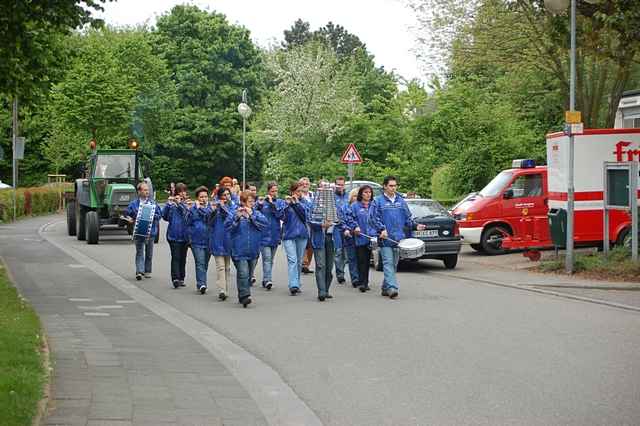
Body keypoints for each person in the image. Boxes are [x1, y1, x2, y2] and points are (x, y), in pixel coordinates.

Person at [370, 176, 426, 299]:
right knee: (388, 263)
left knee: (394, 264)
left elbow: (407, 219)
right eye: (391, 185)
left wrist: (416, 226)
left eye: (395, 185)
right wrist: (381, 229)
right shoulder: (377, 201)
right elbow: (372, 218)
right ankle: (392, 288)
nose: (393, 188)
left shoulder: (401, 201)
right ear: (384, 186)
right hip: (385, 239)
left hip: (399, 238)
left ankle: (385, 288)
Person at [225, 190, 268, 308]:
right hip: (239, 249)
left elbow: (265, 224)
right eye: (249, 201)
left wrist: (252, 215)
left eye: (253, 201)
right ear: (243, 202)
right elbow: (228, 228)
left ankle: (242, 294)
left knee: (248, 275)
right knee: (243, 273)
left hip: (253, 249)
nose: (252, 203)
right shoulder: (234, 213)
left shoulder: (257, 213)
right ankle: (245, 296)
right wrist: (237, 218)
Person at [125, 182, 161, 281]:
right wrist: (130, 219)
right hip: (138, 231)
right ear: (139, 191)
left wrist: (152, 215)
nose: (147, 192)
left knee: (149, 253)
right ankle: (139, 271)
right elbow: (127, 214)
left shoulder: (153, 203)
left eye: (147, 190)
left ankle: (147, 270)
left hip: (151, 231)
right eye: (144, 190)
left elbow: (159, 215)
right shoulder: (134, 204)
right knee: (139, 251)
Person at [309, 182, 337, 301]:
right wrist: (321, 225)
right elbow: (309, 220)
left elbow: (341, 220)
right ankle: (321, 291)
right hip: (319, 238)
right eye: (323, 190)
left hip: (331, 238)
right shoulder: (314, 206)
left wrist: (336, 222)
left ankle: (326, 289)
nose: (325, 192)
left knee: (329, 267)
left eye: (328, 190)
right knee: (321, 265)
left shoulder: (335, 206)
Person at [255, 181, 285, 290]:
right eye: (272, 191)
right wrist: (259, 204)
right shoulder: (262, 202)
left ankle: (265, 278)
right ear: (268, 191)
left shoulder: (280, 202)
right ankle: (268, 279)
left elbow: (281, 216)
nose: (274, 193)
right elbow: (254, 213)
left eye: (276, 191)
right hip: (263, 235)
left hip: (275, 234)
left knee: (271, 259)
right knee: (267, 258)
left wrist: (273, 204)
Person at [282, 182, 309, 295]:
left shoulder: (305, 203)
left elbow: (306, 216)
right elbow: (280, 216)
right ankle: (293, 284)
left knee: (298, 261)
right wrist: (287, 205)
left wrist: (297, 203)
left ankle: (297, 283)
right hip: (289, 235)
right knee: (292, 259)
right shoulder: (285, 203)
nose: (299, 193)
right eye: (297, 191)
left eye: (301, 191)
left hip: (302, 234)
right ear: (292, 192)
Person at [348, 185, 376, 292]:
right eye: (365, 192)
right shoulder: (355, 206)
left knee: (368, 259)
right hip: (360, 236)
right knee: (361, 260)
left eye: (369, 192)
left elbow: (377, 219)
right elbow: (350, 218)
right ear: (361, 194)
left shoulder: (374, 205)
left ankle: (365, 282)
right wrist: (355, 226)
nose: (368, 194)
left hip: (371, 237)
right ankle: (361, 282)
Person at [162, 183, 190, 288]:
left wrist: (180, 204)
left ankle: (182, 278)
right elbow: (164, 217)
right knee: (176, 257)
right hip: (173, 235)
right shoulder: (172, 204)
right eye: (180, 192)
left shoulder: (187, 203)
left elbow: (187, 215)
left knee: (183, 257)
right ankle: (175, 278)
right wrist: (168, 204)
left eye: (184, 191)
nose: (183, 194)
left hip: (185, 235)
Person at [209, 187, 234, 301]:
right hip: (217, 239)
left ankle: (226, 288)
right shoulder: (215, 207)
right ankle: (222, 290)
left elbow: (233, 218)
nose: (226, 197)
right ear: (219, 197)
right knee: (221, 266)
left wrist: (225, 208)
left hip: (228, 239)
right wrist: (214, 210)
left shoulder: (233, 206)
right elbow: (209, 222)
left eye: (228, 194)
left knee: (227, 267)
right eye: (224, 195)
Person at [187, 186, 213, 295]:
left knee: (205, 263)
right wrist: (192, 209)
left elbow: (209, 217)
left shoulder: (211, 208)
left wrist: (200, 209)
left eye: (205, 197)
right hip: (196, 240)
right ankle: (201, 284)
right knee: (200, 262)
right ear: (197, 198)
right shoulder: (192, 209)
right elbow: (188, 221)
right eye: (201, 197)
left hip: (208, 240)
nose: (203, 199)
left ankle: (201, 280)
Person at [332, 176, 351, 284]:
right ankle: (340, 274)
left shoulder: (348, 196)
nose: (340, 186)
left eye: (342, 184)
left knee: (346, 251)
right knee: (338, 251)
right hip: (336, 226)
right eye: (338, 184)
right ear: (335, 185)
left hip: (347, 227)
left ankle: (343, 269)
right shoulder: (332, 196)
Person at [340, 188, 360, 288]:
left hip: (360, 235)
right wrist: (346, 229)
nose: (356, 198)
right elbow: (342, 220)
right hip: (350, 235)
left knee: (361, 258)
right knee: (352, 258)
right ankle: (355, 278)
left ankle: (362, 278)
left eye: (358, 196)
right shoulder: (345, 207)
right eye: (354, 196)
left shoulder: (362, 207)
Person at [299, 177, 315, 274]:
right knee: (305, 243)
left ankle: (307, 264)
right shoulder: (298, 196)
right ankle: (304, 263)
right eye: (302, 184)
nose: (305, 185)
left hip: (313, 222)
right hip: (303, 222)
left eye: (306, 184)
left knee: (311, 245)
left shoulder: (312, 195)